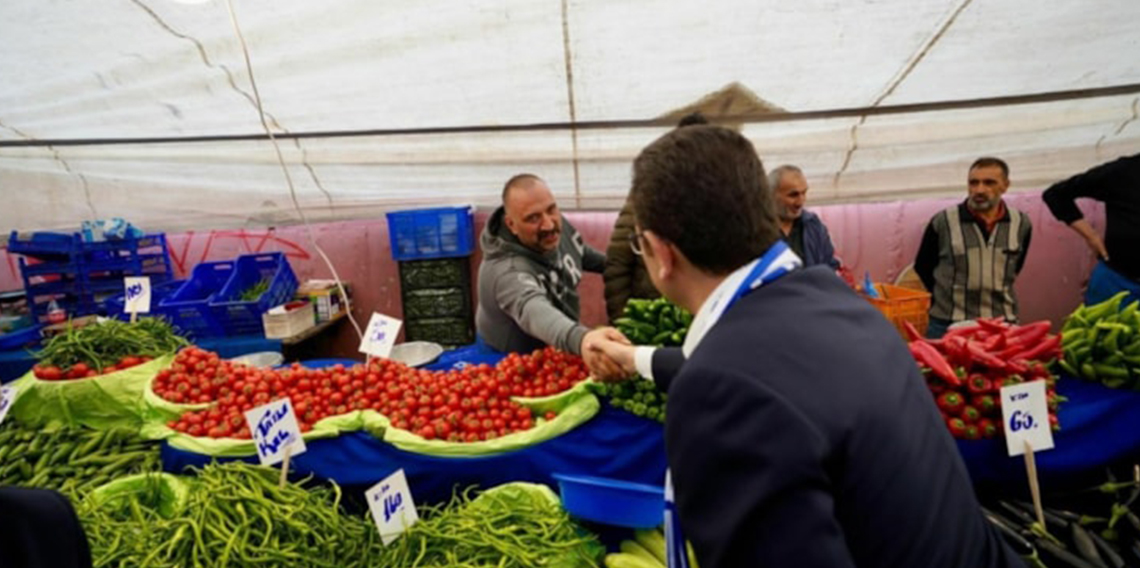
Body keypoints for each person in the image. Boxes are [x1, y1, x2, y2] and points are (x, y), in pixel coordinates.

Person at [591, 125, 1021, 568]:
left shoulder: (720, 394)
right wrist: (633, 357)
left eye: (638, 245)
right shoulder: (836, 303)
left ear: (662, 255)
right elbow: (761, 370)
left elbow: (738, 380)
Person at [475, 174, 621, 373]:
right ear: (511, 224)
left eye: (551, 209)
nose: (548, 225)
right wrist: (582, 339)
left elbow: (576, 251)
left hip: (557, 343)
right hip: (510, 360)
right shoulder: (507, 271)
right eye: (532, 218)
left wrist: (615, 266)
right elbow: (534, 310)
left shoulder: (550, 226)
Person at [603, 113, 710, 322]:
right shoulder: (643, 196)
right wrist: (622, 320)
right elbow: (617, 263)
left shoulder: (720, 201)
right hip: (647, 316)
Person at [914, 157, 1032, 338]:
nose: (979, 190)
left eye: (989, 183)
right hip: (947, 322)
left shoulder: (1021, 223)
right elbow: (923, 266)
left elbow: (1015, 267)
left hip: (1001, 322)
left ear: (1005, 186)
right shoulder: (944, 221)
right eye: (973, 183)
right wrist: (947, 298)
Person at [1042, 153, 1140, 305]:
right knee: (1099, 328)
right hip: (1117, 282)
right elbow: (1056, 195)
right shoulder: (1123, 171)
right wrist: (1091, 236)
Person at [769, 164, 840, 268]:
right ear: (771, 194)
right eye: (793, 195)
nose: (800, 202)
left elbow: (829, 265)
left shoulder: (814, 226)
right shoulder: (755, 230)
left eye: (804, 193)